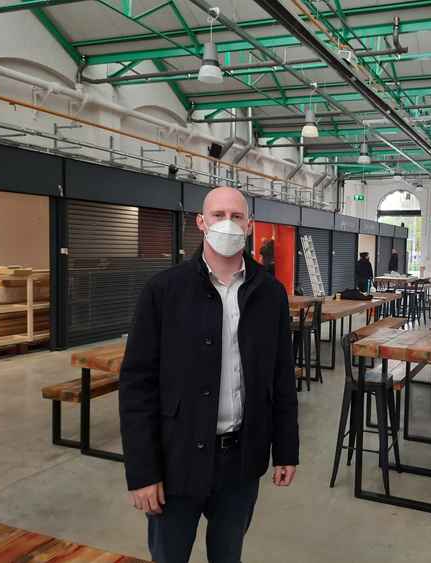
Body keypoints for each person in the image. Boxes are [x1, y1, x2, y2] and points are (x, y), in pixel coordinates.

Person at [119, 186, 299, 563]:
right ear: (201, 222)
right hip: (175, 460)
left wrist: (286, 450)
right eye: (218, 215)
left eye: (236, 216)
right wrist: (142, 471)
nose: (227, 224)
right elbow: (137, 386)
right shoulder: (164, 291)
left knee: (227, 555)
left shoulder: (270, 294)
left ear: (249, 225)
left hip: (241, 461)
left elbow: (281, 378)